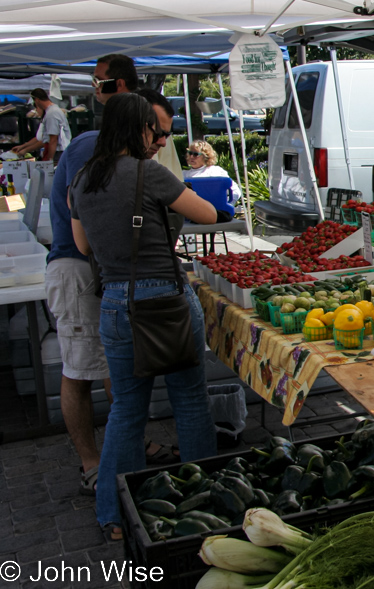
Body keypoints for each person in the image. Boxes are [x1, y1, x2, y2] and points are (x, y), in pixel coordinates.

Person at [69, 92, 219, 541]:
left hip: (116, 302)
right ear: (138, 129)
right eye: (152, 130)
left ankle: (113, 516)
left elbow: (83, 247)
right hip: (166, 300)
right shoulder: (147, 173)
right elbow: (208, 214)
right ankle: (205, 496)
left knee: (126, 411)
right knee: (189, 399)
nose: (156, 137)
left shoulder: (81, 179)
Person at [12, 88, 71, 163]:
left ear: (36, 100)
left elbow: (53, 139)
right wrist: (23, 147)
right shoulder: (50, 112)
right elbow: (41, 138)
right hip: (55, 152)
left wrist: (50, 160)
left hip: (58, 153)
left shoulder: (52, 113)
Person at [183, 140, 242, 204]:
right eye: (190, 153)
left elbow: (235, 191)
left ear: (205, 156)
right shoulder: (183, 174)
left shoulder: (215, 171)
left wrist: (225, 205)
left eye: (195, 154)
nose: (191, 157)